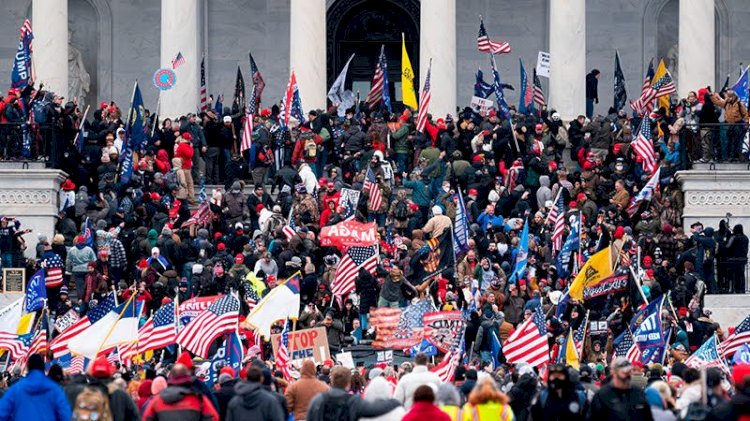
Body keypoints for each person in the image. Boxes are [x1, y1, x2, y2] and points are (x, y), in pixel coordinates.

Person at [306, 366, 401, 421]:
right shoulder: (353, 401)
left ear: (332, 381)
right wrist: (396, 401)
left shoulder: (317, 400)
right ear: (348, 382)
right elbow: (375, 409)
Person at [0, 354, 72, 421]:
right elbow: (66, 416)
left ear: (28, 368)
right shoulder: (55, 390)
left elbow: (2, 413)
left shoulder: (16, 389)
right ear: (43, 368)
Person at [142, 364, 219, 421]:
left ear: (171, 377)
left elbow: (146, 418)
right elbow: (213, 417)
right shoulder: (198, 399)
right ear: (187, 377)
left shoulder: (157, 400)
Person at [589, 358, 654, 421]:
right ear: (614, 373)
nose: (628, 375)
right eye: (624, 372)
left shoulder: (638, 393)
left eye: (629, 371)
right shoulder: (602, 395)